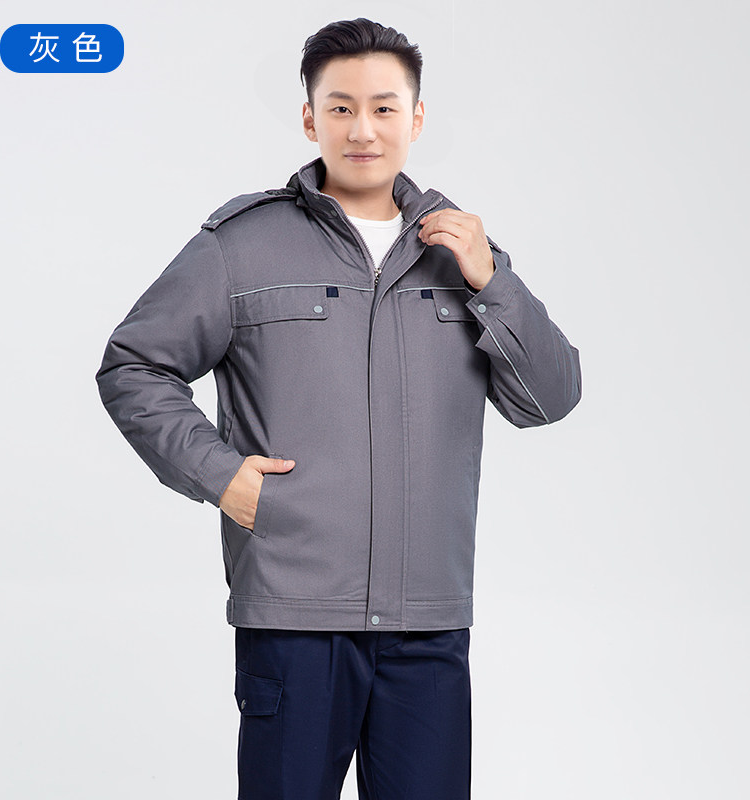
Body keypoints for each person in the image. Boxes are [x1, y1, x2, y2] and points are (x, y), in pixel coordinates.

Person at [95, 17, 582, 800]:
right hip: (294, 620)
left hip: (427, 625)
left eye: (384, 108)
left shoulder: (462, 254)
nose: (363, 130)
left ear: (416, 119)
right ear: (309, 118)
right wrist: (222, 477)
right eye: (341, 107)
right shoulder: (241, 246)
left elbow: (549, 399)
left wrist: (493, 282)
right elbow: (134, 364)